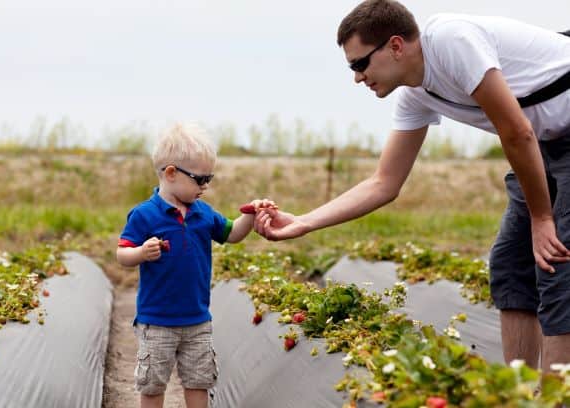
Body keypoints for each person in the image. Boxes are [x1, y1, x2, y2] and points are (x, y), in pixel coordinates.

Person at [255, 0, 570, 374]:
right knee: (510, 267)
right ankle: (518, 390)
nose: (357, 77)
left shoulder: (451, 40)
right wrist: (305, 221)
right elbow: (383, 182)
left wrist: (541, 217)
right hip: (547, 141)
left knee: (556, 268)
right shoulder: (415, 95)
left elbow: (517, 131)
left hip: (545, 135)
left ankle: (554, 399)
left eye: (359, 64)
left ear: (395, 45)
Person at [117, 122, 275, 408]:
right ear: (171, 173)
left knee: (199, 381)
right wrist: (141, 252)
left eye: (209, 179)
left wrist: (252, 214)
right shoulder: (144, 215)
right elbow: (122, 255)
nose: (205, 186)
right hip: (157, 321)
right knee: (152, 384)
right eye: (200, 179)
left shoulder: (203, 213)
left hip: (197, 320)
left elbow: (232, 234)